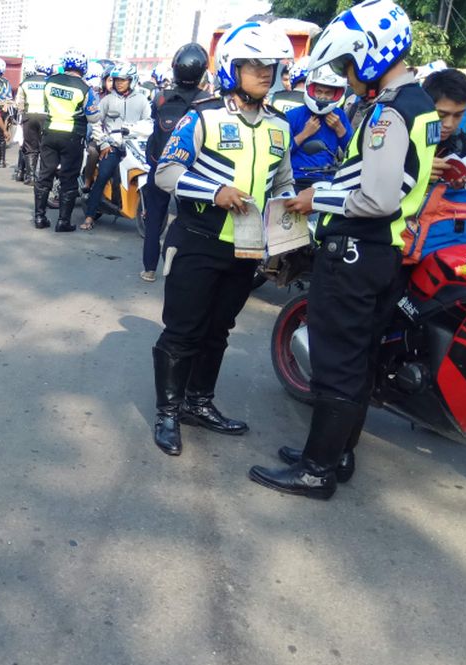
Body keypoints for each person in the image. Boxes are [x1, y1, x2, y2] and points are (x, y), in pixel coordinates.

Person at [249, 0, 439, 499]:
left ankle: (316, 470)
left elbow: (375, 197)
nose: (346, 77)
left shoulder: (390, 113)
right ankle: (336, 454)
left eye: (350, 65)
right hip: (382, 253)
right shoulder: (418, 105)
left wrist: (314, 198)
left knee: (336, 364)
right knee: (358, 360)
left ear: (373, 56)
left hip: (358, 249)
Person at [150, 20, 295, 456]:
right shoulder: (203, 115)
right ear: (233, 67)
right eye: (254, 65)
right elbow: (166, 172)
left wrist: (289, 216)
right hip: (198, 236)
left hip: (247, 243)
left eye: (270, 65)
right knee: (183, 330)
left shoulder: (280, 126)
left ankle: (199, 403)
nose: (265, 73)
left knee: (219, 329)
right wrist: (216, 192)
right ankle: (168, 413)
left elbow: (282, 181)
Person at [139, 42, 209, 283]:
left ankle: (149, 268)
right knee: (187, 222)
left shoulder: (160, 98)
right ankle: (181, 267)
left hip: (158, 169)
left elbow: (153, 130)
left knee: (154, 220)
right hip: (191, 175)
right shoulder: (207, 102)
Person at [33, 49, 100, 231]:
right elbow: (94, 117)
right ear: (83, 67)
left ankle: (39, 217)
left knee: (45, 174)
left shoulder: (50, 81)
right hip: (72, 136)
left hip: (50, 132)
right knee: (69, 179)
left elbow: (44, 103)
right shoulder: (85, 88)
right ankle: (63, 222)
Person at [80, 62, 149, 231]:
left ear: (132, 80)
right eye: (117, 80)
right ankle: (89, 216)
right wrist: (103, 142)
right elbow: (96, 122)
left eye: (123, 80)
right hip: (112, 147)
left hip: (135, 146)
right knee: (103, 175)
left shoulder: (141, 100)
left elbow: (149, 122)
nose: (119, 83)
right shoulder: (108, 100)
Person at [284, 64, 351, 190]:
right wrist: (305, 133)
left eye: (328, 93)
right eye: (319, 91)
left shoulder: (339, 116)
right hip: (297, 179)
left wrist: (340, 129)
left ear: (336, 94)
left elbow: (351, 151)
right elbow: (282, 152)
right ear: (311, 90)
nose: (323, 97)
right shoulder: (293, 115)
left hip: (327, 179)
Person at [423, 68, 466, 201]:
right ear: (424, 105)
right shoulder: (403, 134)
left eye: (458, 115)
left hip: (439, 219)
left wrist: (462, 184)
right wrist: (418, 171)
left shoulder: (461, 141)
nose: (449, 124)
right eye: (441, 115)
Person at [15, 60, 53, 185]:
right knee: (45, 147)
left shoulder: (26, 82)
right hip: (46, 117)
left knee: (30, 147)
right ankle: (42, 176)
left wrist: (22, 115)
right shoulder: (50, 82)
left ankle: (30, 176)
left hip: (29, 116)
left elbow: (19, 102)